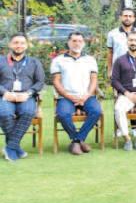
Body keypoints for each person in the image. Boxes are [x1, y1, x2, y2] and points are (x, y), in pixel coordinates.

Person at [52, 32, 103, 155]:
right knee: (63, 114)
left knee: (96, 111)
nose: (77, 43)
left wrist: (86, 95)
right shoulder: (58, 60)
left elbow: (94, 80)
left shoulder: (90, 60)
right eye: (74, 41)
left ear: (84, 43)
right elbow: (56, 81)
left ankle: (77, 140)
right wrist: (69, 96)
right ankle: (78, 140)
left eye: (80, 41)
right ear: (68, 42)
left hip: (87, 96)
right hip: (66, 97)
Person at [0, 33, 45, 161]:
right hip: (5, 96)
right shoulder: (0, 60)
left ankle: (10, 147)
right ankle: (16, 148)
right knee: (4, 114)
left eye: (22, 43)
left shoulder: (34, 62)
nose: (18, 46)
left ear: (26, 45)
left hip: (26, 97)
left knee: (28, 112)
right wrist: (5, 93)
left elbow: (40, 82)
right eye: (15, 42)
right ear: (10, 44)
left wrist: (28, 93)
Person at [107, 8, 136, 77]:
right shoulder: (112, 34)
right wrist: (109, 70)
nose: (127, 18)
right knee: (118, 88)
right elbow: (110, 53)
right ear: (120, 17)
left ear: (134, 18)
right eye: (125, 16)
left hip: (135, 70)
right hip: (118, 70)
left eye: (130, 16)